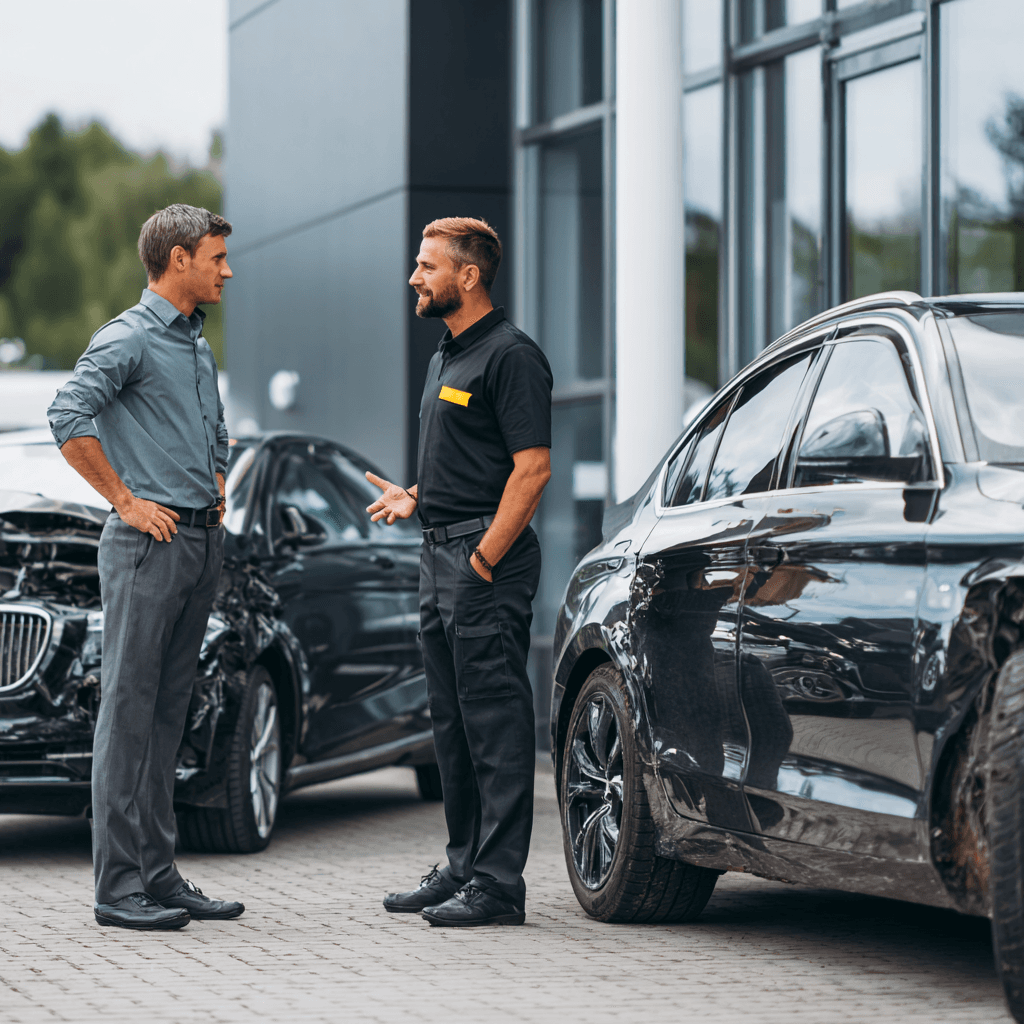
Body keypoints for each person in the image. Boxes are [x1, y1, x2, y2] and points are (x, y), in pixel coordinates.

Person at [48, 204, 245, 930]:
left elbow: (216, 429)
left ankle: (159, 876)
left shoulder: (196, 346)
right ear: (179, 258)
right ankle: (118, 888)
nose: (227, 270)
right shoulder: (127, 338)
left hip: (198, 542)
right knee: (127, 718)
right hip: (146, 546)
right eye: (217, 257)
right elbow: (68, 416)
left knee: (168, 717)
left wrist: (217, 482)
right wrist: (126, 501)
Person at [367, 217, 552, 927]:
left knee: (495, 727)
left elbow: (531, 471)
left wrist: (480, 561)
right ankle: (464, 865)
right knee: (451, 725)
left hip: (484, 566)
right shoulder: (448, 355)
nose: (415, 277)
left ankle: (499, 886)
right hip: (437, 555)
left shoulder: (512, 357)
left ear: (467, 276)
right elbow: (478, 463)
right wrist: (415, 497)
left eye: (426, 265)